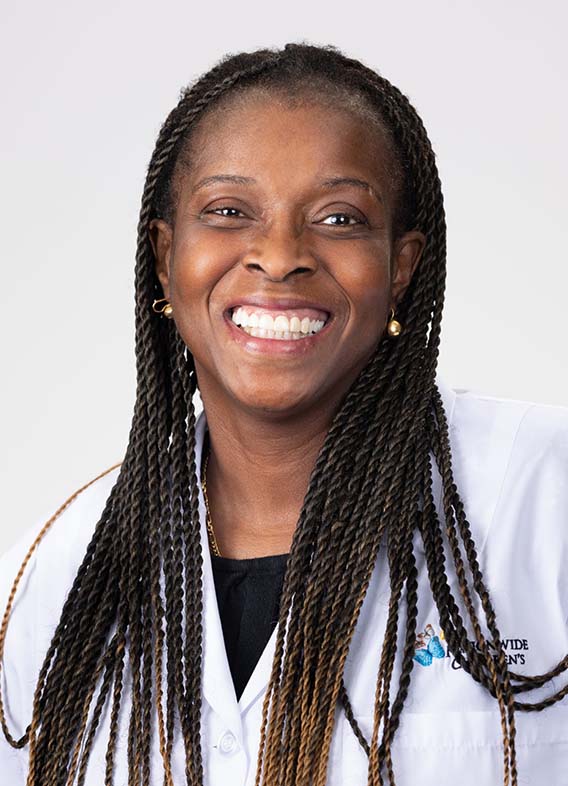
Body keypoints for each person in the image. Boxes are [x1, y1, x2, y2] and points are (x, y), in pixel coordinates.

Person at [1, 41, 567, 786]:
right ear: (166, 259)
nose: (278, 256)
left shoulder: (544, 496)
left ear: (401, 267)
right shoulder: (62, 574)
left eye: (338, 218)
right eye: (228, 211)